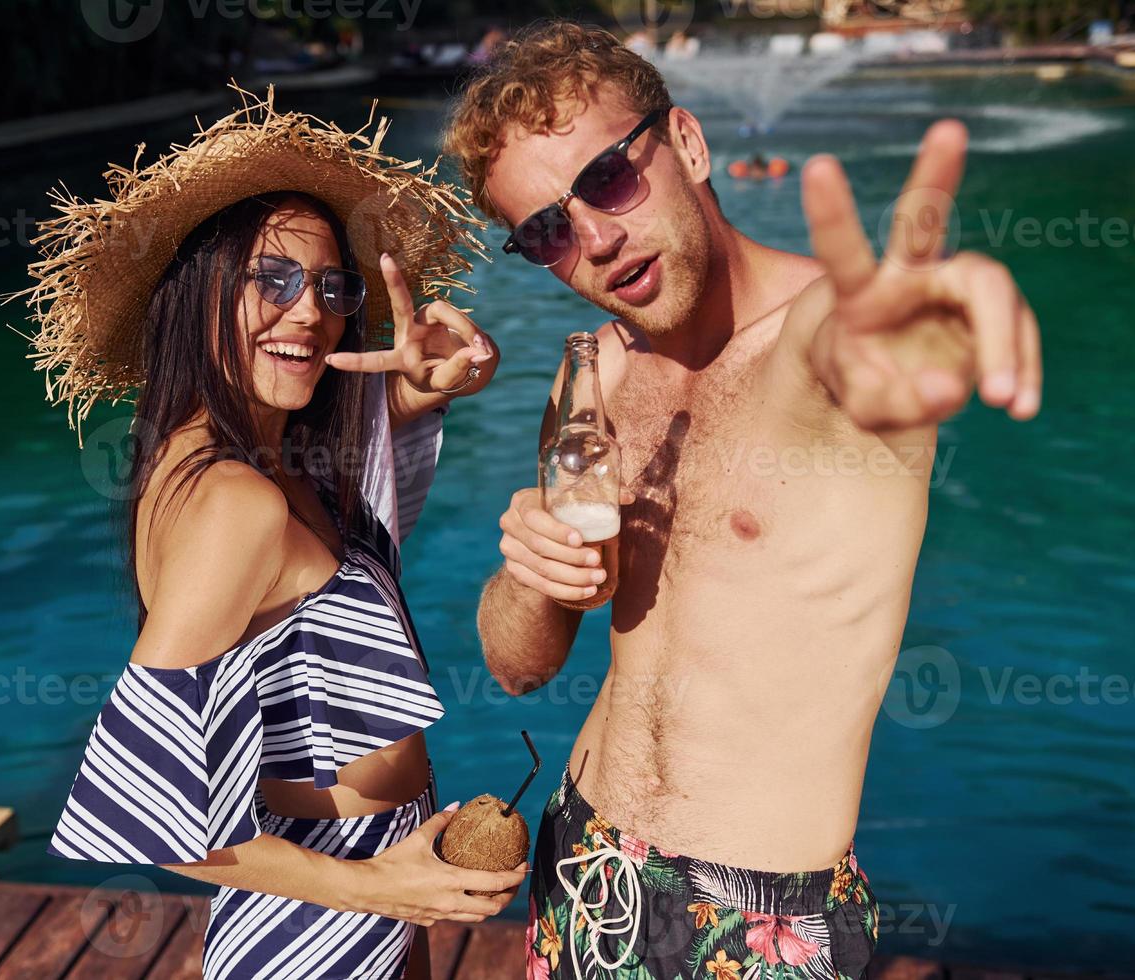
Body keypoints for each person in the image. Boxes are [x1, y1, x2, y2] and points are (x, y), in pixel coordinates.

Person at [444, 21, 1041, 979]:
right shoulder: (590, 378)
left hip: (758, 920)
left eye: (606, 177)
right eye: (548, 230)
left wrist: (932, 314)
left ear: (686, 143)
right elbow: (517, 670)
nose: (593, 238)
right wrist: (533, 579)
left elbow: (858, 341)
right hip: (580, 862)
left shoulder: (822, 340)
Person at [22, 86, 525, 980]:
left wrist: (446, 376)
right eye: (274, 279)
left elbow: (364, 487)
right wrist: (376, 889)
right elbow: (139, 807)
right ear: (200, 288)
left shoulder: (252, 455)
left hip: (353, 880)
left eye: (331, 287)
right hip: (320, 912)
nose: (309, 312)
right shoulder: (237, 502)